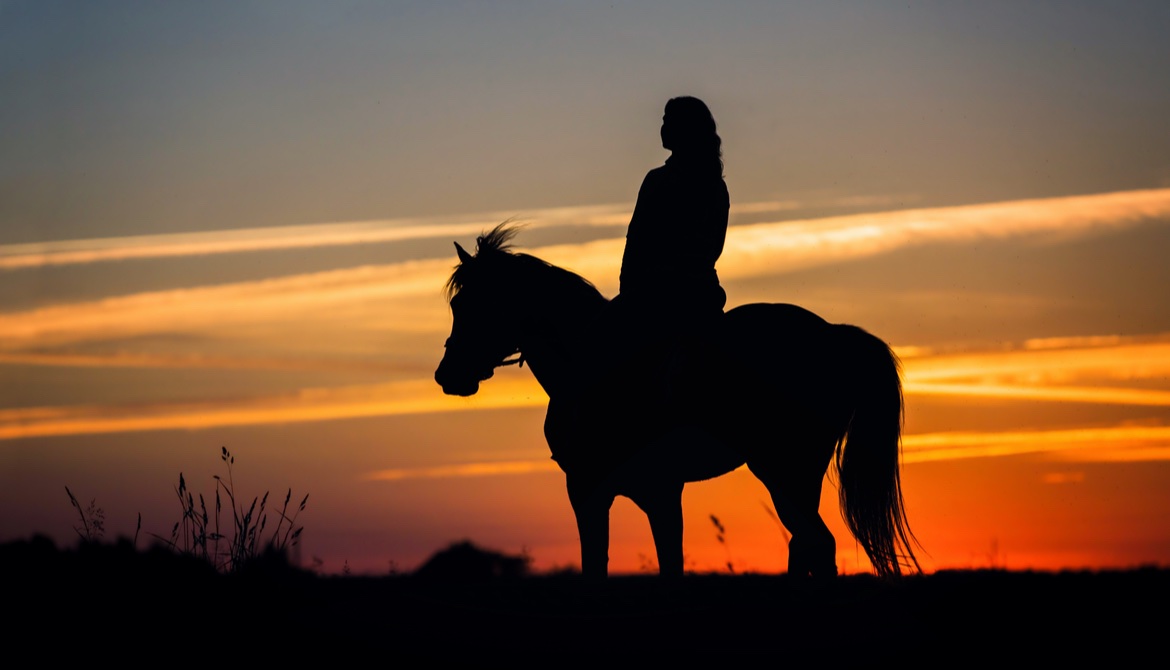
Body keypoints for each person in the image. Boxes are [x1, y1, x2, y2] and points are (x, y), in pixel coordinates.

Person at [615, 96, 729, 340]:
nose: (663, 129)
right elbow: (712, 249)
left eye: (669, 122)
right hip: (702, 298)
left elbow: (635, 244)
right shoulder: (716, 186)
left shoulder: (658, 181)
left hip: (657, 299)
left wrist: (629, 293)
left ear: (685, 129)